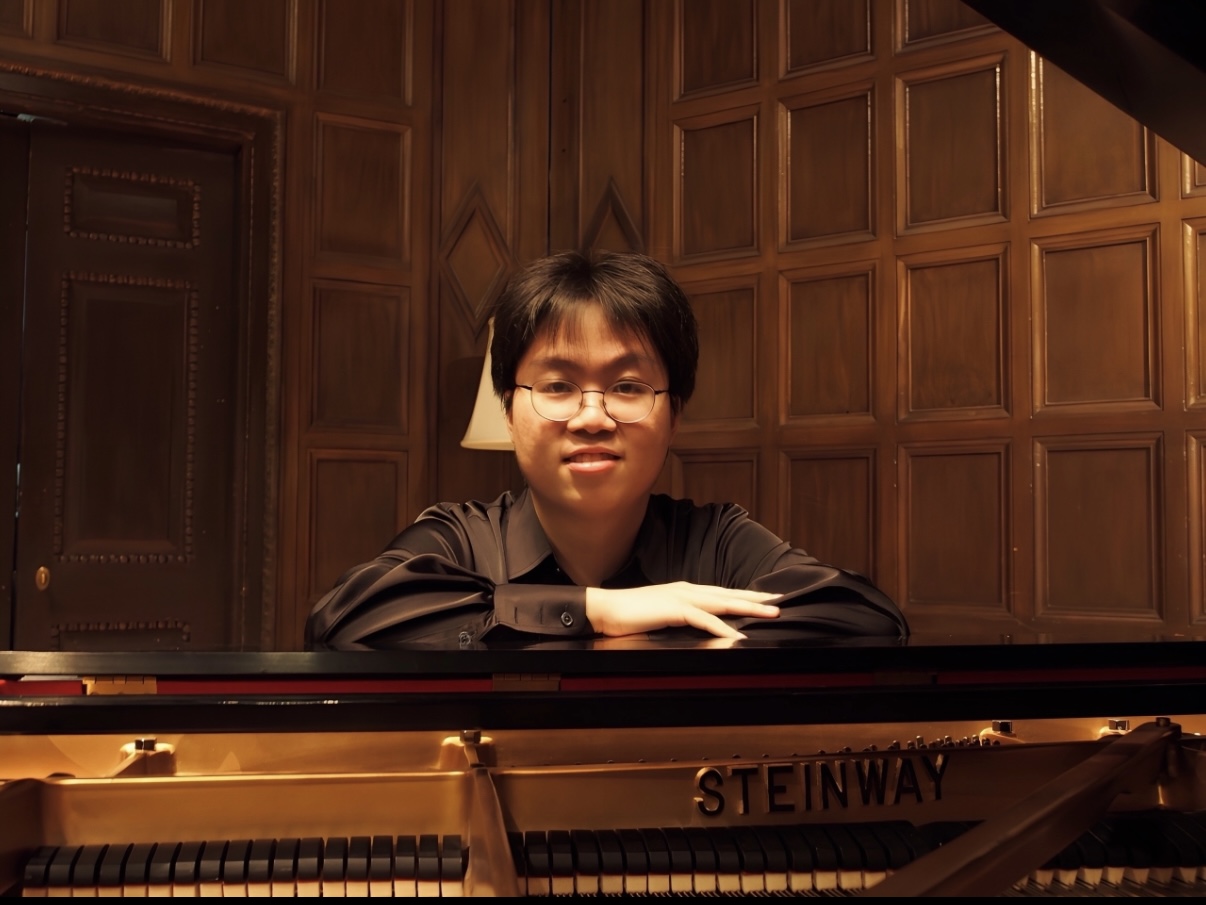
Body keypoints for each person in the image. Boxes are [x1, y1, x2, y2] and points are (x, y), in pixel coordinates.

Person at [306, 251, 907, 650]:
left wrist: (658, 627)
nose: (592, 417)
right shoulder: (460, 539)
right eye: (557, 387)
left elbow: (865, 618)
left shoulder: (715, 541)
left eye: (627, 387)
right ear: (509, 413)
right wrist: (599, 611)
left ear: (674, 415)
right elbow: (346, 619)